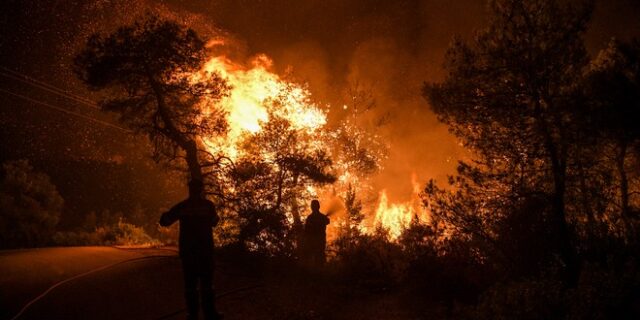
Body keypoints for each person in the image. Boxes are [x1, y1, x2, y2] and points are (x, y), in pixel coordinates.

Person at [160, 179, 222, 320]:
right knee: (207, 284)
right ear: (201, 190)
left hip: (188, 252)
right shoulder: (208, 206)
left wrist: (164, 215)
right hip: (206, 251)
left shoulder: (182, 206)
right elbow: (215, 222)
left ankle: (192, 315)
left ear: (190, 189)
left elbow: (165, 221)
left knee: (190, 286)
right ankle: (210, 314)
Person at [304, 199, 330, 265]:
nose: (312, 207)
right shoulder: (313, 217)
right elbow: (307, 230)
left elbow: (306, 230)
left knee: (318, 257)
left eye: (313, 206)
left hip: (317, 241)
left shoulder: (310, 218)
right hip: (316, 241)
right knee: (318, 258)